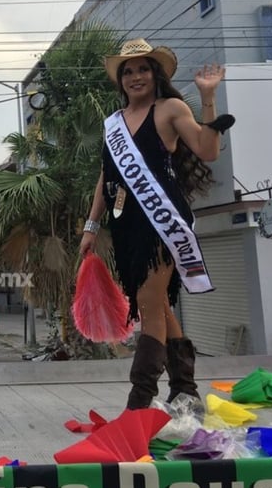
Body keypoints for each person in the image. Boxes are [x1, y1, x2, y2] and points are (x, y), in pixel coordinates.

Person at [79, 38, 230, 411]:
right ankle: (185, 390)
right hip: (125, 225)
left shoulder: (170, 108)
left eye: (143, 69)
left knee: (148, 305)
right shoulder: (113, 123)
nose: (135, 77)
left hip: (161, 223)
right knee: (157, 304)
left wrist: (207, 98)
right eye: (127, 72)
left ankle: (140, 400)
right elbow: (106, 175)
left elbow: (208, 150)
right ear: (121, 80)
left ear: (155, 74)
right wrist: (91, 225)